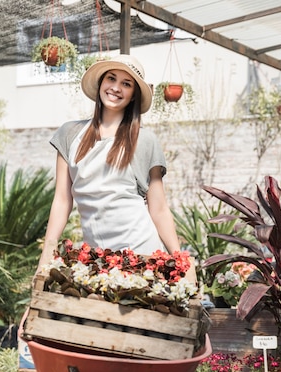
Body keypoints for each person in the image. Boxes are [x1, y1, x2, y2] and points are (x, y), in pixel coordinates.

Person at [38, 54, 181, 267]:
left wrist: (180, 260)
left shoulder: (144, 140)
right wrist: (48, 251)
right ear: (101, 83)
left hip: (142, 255)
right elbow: (62, 200)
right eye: (111, 79)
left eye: (126, 84)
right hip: (98, 259)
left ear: (133, 95)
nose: (116, 87)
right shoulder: (70, 134)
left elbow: (158, 207)